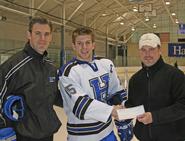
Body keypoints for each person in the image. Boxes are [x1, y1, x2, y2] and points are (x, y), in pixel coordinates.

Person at [58, 27, 133, 141]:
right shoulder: (68, 72)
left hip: (107, 132)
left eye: (88, 43)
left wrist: (123, 112)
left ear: (93, 45)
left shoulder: (106, 64)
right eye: (79, 43)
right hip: (83, 137)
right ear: (73, 46)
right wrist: (111, 110)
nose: (84, 47)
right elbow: (80, 105)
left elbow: (116, 92)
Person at [0, 17, 62, 141]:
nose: (42, 39)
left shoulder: (51, 66)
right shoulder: (13, 66)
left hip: (47, 133)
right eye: (38, 33)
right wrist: (2, 127)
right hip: (23, 135)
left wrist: (78, 102)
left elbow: (53, 95)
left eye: (46, 34)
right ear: (29, 35)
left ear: (51, 37)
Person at [125, 33, 185, 141]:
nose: (147, 54)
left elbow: (182, 106)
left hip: (173, 137)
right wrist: (123, 109)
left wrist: (154, 117)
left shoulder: (175, 75)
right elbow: (133, 104)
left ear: (159, 50)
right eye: (143, 50)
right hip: (144, 138)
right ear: (139, 52)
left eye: (151, 49)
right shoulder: (135, 79)